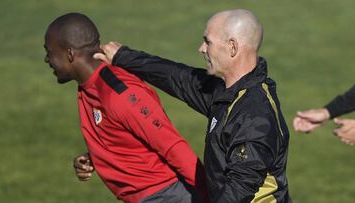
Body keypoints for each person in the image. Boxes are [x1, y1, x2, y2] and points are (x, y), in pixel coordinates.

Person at [77, 9, 292, 202]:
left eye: (208, 42)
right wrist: (124, 56)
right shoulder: (227, 91)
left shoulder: (255, 116)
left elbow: (239, 191)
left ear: (232, 46)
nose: (201, 49)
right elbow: (177, 77)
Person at [44, 12, 207, 203]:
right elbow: (120, 133)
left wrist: (209, 197)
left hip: (168, 196)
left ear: (70, 53)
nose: (47, 60)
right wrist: (96, 157)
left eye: (50, 52)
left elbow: (173, 147)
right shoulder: (89, 86)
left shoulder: (119, 94)